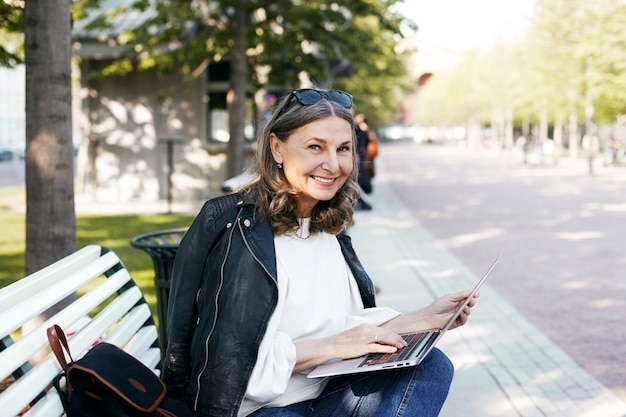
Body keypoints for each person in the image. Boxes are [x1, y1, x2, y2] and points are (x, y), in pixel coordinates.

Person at [162, 87, 480, 417]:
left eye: (343, 149)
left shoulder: (324, 228)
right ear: (277, 148)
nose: (332, 164)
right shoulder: (241, 232)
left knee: (431, 367)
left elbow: (343, 324)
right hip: (260, 409)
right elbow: (229, 365)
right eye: (315, 147)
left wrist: (424, 319)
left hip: (323, 396)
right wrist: (330, 347)